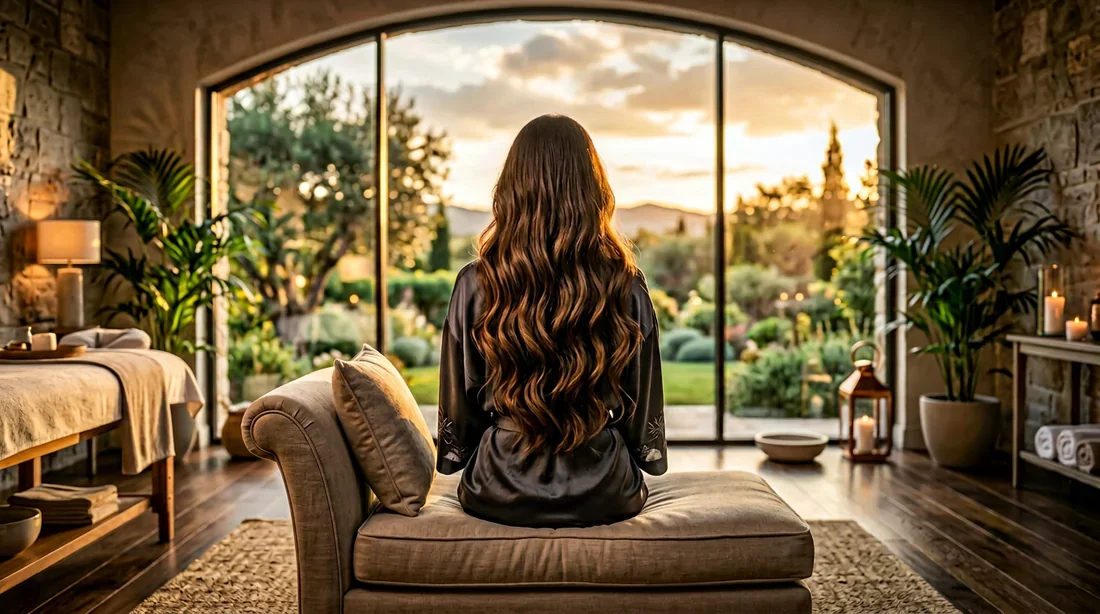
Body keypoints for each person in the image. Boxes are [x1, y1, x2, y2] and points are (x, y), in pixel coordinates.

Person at [436, 114, 666, 528]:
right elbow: (641, 400)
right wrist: (639, 454)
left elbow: (461, 404)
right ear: (592, 190)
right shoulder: (626, 284)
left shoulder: (474, 283)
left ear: (512, 188)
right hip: (606, 491)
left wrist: (466, 455)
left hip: (497, 488)